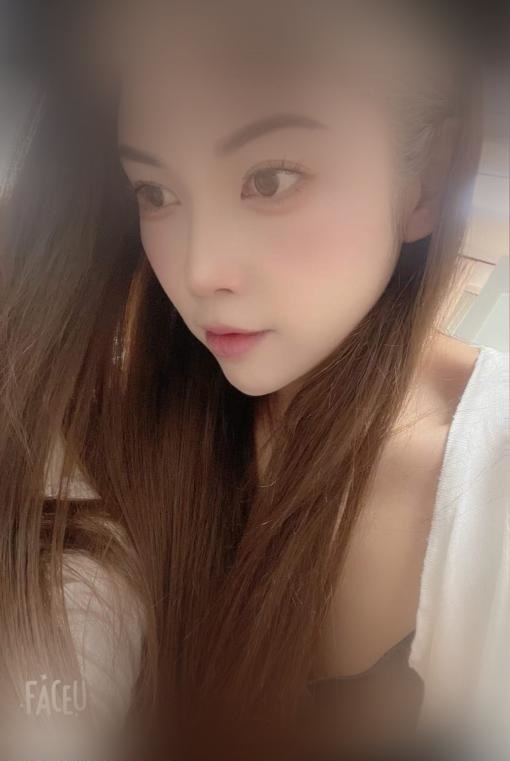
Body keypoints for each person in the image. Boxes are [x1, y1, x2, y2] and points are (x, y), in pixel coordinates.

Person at [0, 1, 507, 758]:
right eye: (155, 192)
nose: (199, 270)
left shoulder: (490, 474)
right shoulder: (120, 429)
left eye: (270, 179)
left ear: (427, 182)